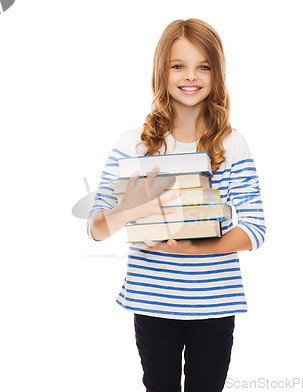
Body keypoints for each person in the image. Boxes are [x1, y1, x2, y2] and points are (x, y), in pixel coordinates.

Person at [87, 18, 266, 392]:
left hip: (215, 302)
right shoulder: (133, 143)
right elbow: (97, 228)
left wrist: (193, 248)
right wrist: (133, 211)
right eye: (178, 65)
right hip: (152, 299)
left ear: (217, 73)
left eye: (203, 66)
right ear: (162, 71)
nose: (191, 76)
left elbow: (254, 229)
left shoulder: (233, 145)